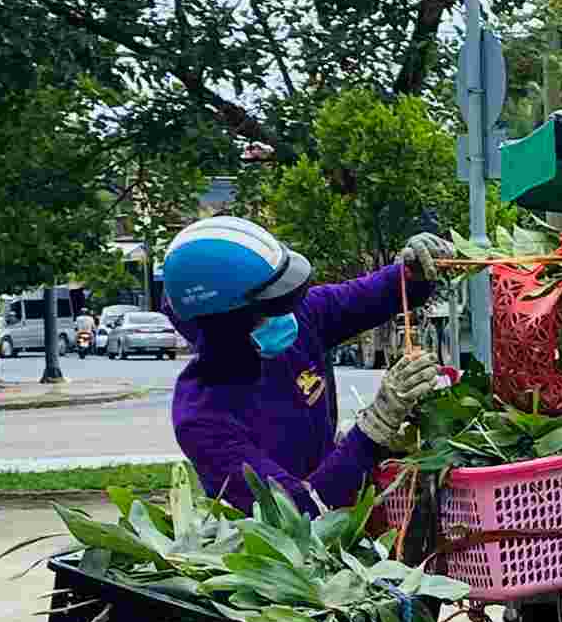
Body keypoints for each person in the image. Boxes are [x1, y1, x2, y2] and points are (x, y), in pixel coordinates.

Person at [163, 216, 453, 512]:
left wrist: (413, 271)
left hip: (343, 503)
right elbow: (302, 513)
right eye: (271, 307)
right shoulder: (204, 420)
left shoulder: (300, 317)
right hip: (276, 549)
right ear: (226, 324)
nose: (287, 315)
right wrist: (375, 426)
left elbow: (374, 295)